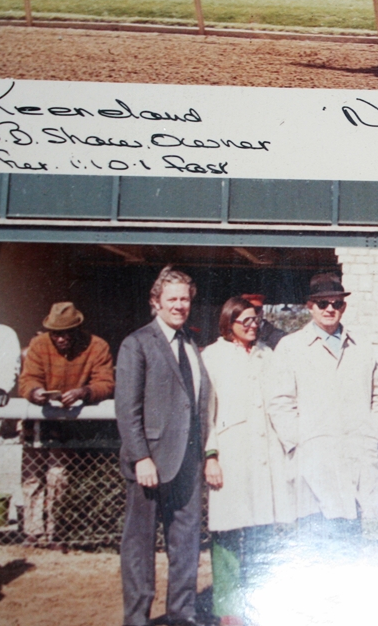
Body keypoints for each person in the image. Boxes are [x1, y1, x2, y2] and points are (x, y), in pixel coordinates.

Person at [116, 266, 214, 626]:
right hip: (150, 464)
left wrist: (204, 455)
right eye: (171, 299)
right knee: (140, 547)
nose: (179, 305)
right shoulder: (137, 343)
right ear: (156, 302)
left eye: (184, 299)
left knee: (186, 544)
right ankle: (137, 618)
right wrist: (141, 456)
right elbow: (128, 408)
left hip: (188, 463)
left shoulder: (190, 343)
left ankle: (182, 614)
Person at [267, 273, 378, 558]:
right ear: (310, 306)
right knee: (315, 547)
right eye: (322, 303)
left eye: (336, 303)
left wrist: (372, 434)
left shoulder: (361, 348)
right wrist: (300, 442)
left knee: (350, 543)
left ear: (343, 307)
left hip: (354, 458)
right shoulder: (290, 347)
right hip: (314, 462)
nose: (330, 309)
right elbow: (280, 403)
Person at [202, 297, 294, 626]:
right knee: (227, 534)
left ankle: (257, 604)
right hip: (231, 456)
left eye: (256, 321)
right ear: (229, 323)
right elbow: (206, 414)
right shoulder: (212, 357)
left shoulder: (268, 356)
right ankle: (229, 611)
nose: (252, 326)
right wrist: (211, 457)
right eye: (245, 321)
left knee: (262, 533)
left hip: (267, 457)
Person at [17, 301, 114, 545]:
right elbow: (27, 379)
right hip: (38, 420)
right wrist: (35, 392)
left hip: (72, 425)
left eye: (66, 333)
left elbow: (106, 382)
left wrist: (84, 392)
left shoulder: (97, 346)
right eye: (56, 333)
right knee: (31, 477)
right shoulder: (38, 346)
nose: (61, 338)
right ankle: (32, 531)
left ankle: (55, 530)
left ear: (77, 329)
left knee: (58, 477)